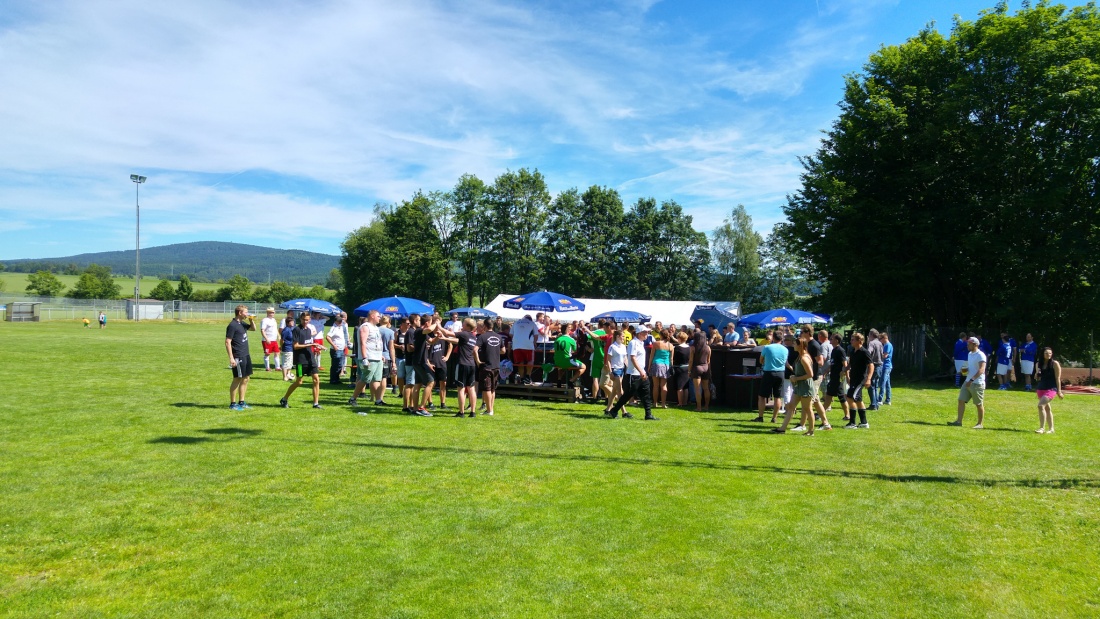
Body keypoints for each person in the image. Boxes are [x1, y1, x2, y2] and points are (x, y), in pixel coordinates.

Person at [606, 325, 658, 420]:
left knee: (646, 394)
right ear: (639, 333)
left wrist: (643, 371)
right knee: (627, 395)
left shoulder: (641, 343)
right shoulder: (633, 343)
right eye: (645, 332)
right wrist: (641, 371)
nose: (647, 334)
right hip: (633, 374)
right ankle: (614, 410)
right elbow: (633, 358)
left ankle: (648, 414)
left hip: (641, 373)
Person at [773, 337, 817, 435]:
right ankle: (782, 428)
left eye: (795, 344)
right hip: (798, 387)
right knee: (791, 406)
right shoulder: (800, 356)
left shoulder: (804, 358)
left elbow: (810, 374)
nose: (793, 346)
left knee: (808, 409)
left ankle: (811, 431)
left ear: (800, 345)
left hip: (805, 387)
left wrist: (796, 378)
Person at [280, 312, 322, 409]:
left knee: (316, 380)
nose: (305, 322)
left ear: (309, 320)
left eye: (307, 320)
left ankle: (315, 404)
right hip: (300, 360)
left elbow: (308, 342)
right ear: (300, 319)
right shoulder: (296, 330)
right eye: (304, 320)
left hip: (310, 358)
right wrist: (310, 345)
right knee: (299, 382)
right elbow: (295, 346)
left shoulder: (308, 330)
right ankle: (284, 399)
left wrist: (317, 345)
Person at [348, 310, 385, 408]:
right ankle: (353, 398)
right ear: (372, 316)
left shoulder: (376, 328)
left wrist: (380, 354)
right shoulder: (365, 327)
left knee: (376, 379)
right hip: (369, 357)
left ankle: (378, 400)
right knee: (365, 378)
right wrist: (365, 358)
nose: (380, 318)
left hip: (377, 357)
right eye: (378, 316)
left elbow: (377, 342)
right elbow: (363, 342)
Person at [950, 337, 987, 428]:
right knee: (961, 400)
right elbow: (968, 367)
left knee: (978, 404)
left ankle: (979, 424)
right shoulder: (970, 354)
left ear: (975, 345)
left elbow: (981, 369)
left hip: (977, 383)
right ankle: (959, 422)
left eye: (969, 344)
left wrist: (972, 380)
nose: (967, 345)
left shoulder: (981, 355)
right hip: (967, 381)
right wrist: (963, 371)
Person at [225, 305, 256, 411]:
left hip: (246, 354)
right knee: (237, 378)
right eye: (246, 312)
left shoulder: (241, 323)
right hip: (238, 355)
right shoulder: (232, 325)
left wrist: (251, 320)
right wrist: (231, 358)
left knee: (246, 378)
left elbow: (253, 329)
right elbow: (227, 342)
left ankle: (241, 402)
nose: (247, 314)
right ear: (240, 313)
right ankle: (232, 404)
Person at [449, 318, 479, 417]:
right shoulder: (473, 337)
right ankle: (473, 412)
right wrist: (443, 338)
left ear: (468, 326)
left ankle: (461, 412)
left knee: (461, 389)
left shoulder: (464, 334)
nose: (462, 325)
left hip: (462, 364)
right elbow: (456, 340)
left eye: (464, 324)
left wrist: (439, 326)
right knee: (471, 389)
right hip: (471, 365)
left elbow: (450, 334)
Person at [754, 332, 787, 423]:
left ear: (773, 338)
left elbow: (761, 360)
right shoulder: (785, 349)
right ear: (781, 339)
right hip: (781, 373)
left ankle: (760, 417)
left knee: (762, 396)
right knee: (777, 396)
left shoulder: (767, 347)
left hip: (769, 372)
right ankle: (774, 418)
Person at [476, 318, 506, 415]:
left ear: (484, 326)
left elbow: (474, 349)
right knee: (493, 388)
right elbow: (503, 351)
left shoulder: (482, 337)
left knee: (486, 388)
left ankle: (489, 410)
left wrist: (478, 361)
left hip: (486, 366)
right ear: (492, 326)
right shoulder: (499, 336)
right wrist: (494, 351)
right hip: (496, 365)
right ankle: (490, 409)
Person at [844, 332, 874, 429]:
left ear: (859, 341)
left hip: (860, 379)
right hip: (853, 378)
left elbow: (871, 365)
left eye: (853, 339)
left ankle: (852, 423)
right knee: (858, 399)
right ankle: (864, 423)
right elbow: (850, 364)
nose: (851, 341)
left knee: (850, 397)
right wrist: (845, 370)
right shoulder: (853, 351)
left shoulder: (864, 352)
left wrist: (868, 379)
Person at [1033, 346, 1063, 433]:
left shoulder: (1055, 364)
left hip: (1051, 388)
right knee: (1047, 409)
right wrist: (1036, 375)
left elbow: (1058, 378)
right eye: (1046, 353)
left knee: (1040, 406)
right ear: (1042, 354)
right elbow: (1037, 378)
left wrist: (1059, 391)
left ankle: (1041, 428)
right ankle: (1051, 429)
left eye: (1050, 353)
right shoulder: (1038, 364)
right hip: (1041, 388)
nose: (1048, 355)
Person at [821, 333, 849, 422]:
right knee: (828, 395)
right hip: (833, 377)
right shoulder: (833, 350)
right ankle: (821, 413)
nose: (830, 340)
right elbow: (832, 364)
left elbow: (845, 364)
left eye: (832, 339)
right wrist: (825, 372)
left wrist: (846, 375)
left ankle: (847, 415)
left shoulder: (840, 350)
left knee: (841, 397)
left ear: (837, 340)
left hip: (838, 378)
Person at [688, 331, 712, 412]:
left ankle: (699, 407)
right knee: (706, 388)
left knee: (697, 389)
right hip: (706, 367)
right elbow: (708, 361)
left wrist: (689, 371)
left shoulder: (693, 347)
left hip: (696, 368)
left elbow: (691, 361)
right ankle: (706, 406)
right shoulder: (708, 348)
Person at [511, 314, 538, 385]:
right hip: (528, 345)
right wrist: (534, 343)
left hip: (516, 345)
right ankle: (527, 377)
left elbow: (511, 334)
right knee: (530, 360)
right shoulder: (532, 323)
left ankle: (522, 378)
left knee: (520, 362)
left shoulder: (516, 323)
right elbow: (536, 335)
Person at [650, 330, 673, 408]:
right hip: (666, 365)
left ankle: (655, 403)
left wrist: (649, 366)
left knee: (655, 386)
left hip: (656, 364)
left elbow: (651, 356)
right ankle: (663, 404)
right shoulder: (671, 345)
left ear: (661, 335)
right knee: (663, 386)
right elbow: (671, 359)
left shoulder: (656, 343)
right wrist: (671, 367)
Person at [325, 312, 349, 385]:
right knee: (335, 365)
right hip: (336, 349)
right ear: (336, 322)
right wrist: (334, 345)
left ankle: (337, 379)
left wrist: (345, 344)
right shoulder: (334, 328)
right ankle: (333, 380)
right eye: (340, 322)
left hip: (341, 348)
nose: (341, 323)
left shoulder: (341, 327)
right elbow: (328, 337)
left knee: (340, 364)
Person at [866, 328, 884, 410]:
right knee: (876, 386)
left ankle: (873, 404)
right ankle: (876, 404)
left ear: (871, 335)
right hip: (880, 366)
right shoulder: (880, 343)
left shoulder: (871, 343)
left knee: (871, 385)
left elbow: (868, 353)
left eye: (869, 335)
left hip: (874, 365)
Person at [259, 308, 282, 373]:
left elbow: (275, 329)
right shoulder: (264, 320)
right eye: (271, 312)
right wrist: (266, 339)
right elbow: (262, 330)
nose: (272, 314)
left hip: (274, 340)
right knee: (267, 353)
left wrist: (278, 336)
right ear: (267, 313)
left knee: (277, 352)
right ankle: (267, 367)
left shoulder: (274, 320)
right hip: (267, 340)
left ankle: (277, 367)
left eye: (273, 312)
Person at [379, 315, 396, 398]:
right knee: (384, 377)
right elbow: (391, 348)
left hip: (375, 355)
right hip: (386, 357)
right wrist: (393, 361)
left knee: (375, 378)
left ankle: (373, 396)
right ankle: (381, 397)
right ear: (389, 322)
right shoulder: (390, 332)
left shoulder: (375, 330)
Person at [878, 332, 893, 405]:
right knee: (887, 384)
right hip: (887, 366)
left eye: (880, 339)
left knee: (882, 383)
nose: (880, 340)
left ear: (884, 338)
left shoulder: (887, 345)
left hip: (886, 366)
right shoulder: (887, 345)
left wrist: (878, 354)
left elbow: (885, 356)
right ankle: (888, 400)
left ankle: (880, 399)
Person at [279, 316, 295, 381]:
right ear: (288, 323)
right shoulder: (286, 330)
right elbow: (282, 340)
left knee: (290, 363)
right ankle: (285, 376)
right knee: (285, 363)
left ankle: (288, 374)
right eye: (292, 322)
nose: (293, 323)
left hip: (290, 348)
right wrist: (282, 347)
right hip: (286, 348)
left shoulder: (290, 329)